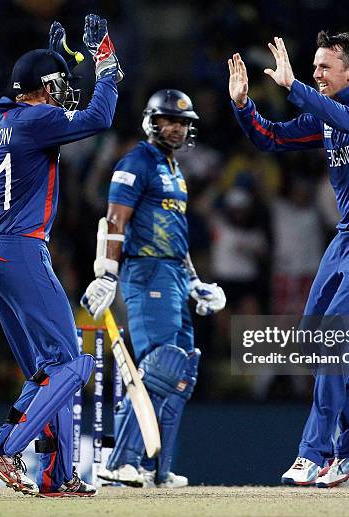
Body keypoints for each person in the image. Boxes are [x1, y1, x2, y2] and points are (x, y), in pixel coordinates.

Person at [228, 31, 349, 487]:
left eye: (323, 67)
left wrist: (296, 89)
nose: (315, 73)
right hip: (347, 238)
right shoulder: (328, 113)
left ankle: (315, 451)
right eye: (312, 67)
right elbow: (271, 139)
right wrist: (243, 106)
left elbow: (346, 119)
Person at [0, 15, 122, 497]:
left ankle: (56, 474)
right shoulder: (36, 119)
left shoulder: (0, 119)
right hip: (20, 250)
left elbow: (38, 99)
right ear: (38, 91)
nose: (61, 93)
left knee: (45, 372)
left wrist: (54, 59)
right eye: (55, 85)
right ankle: (4, 447)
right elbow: (98, 116)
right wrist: (106, 63)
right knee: (74, 364)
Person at [81, 89, 226, 488]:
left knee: (182, 369)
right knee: (161, 363)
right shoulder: (137, 162)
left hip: (175, 274)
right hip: (146, 274)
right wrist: (107, 274)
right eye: (169, 121)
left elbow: (175, 233)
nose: (177, 128)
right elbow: (114, 220)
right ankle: (117, 461)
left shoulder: (174, 169)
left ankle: (154, 469)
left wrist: (195, 281)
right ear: (152, 122)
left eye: (183, 123)